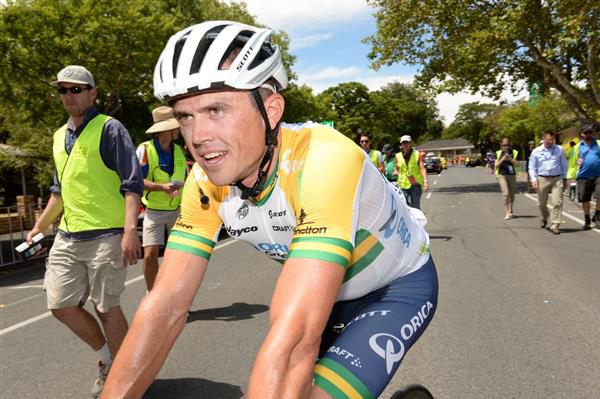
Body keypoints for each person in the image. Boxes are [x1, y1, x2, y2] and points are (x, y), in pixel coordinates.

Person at [101, 21, 438, 399]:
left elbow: (292, 342)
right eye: (185, 116)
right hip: (327, 297)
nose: (198, 137)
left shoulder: (324, 159)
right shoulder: (205, 184)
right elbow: (164, 308)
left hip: (392, 291)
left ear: (272, 109)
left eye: (216, 109)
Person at [26, 65, 143, 397]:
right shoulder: (57, 137)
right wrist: (38, 226)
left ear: (93, 92)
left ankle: (125, 378)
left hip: (107, 234)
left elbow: (131, 184)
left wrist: (130, 231)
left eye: (76, 89)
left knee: (106, 307)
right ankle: (107, 359)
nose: (68, 96)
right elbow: (59, 192)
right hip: (68, 235)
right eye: (63, 90)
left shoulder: (110, 129)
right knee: (60, 304)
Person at [136, 106, 186, 291]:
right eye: (177, 126)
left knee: (179, 256)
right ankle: (153, 295)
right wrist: (162, 188)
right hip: (154, 212)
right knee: (149, 255)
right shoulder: (145, 149)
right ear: (168, 129)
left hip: (178, 211)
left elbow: (186, 178)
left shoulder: (179, 150)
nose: (179, 129)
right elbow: (136, 181)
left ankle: (176, 295)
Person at [528, 131, 568, 234]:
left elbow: (564, 164)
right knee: (541, 204)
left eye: (552, 139)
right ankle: (545, 217)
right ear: (544, 139)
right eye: (549, 139)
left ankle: (555, 224)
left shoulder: (559, 149)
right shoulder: (536, 151)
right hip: (542, 179)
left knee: (557, 202)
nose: (551, 141)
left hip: (557, 178)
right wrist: (533, 180)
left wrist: (565, 179)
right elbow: (532, 167)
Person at [574, 122, 600, 230]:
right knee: (585, 199)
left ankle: (597, 214)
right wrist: (570, 177)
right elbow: (573, 163)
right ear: (582, 134)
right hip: (583, 177)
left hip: (598, 175)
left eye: (591, 132)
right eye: (586, 132)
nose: (589, 134)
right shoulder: (577, 147)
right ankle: (587, 220)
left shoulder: (598, 143)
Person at [394, 135, 429, 209]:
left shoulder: (417, 154)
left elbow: (422, 168)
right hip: (402, 185)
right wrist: (395, 172)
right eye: (403, 143)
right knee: (403, 207)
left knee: (416, 207)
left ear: (411, 143)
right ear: (401, 144)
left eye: (407, 142)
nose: (405, 144)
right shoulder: (397, 156)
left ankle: (417, 220)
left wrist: (426, 181)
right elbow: (397, 169)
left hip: (415, 184)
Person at [494, 137, 519, 220]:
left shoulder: (514, 152)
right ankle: (507, 212)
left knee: (512, 195)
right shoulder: (498, 153)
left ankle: (511, 208)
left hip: (512, 175)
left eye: (507, 145)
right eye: (504, 145)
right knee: (506, 193)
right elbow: (496, 166)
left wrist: (511, 159)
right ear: (501, 145)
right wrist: (502, 159)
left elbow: (517, 165)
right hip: (502, 175)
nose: (506, 147)